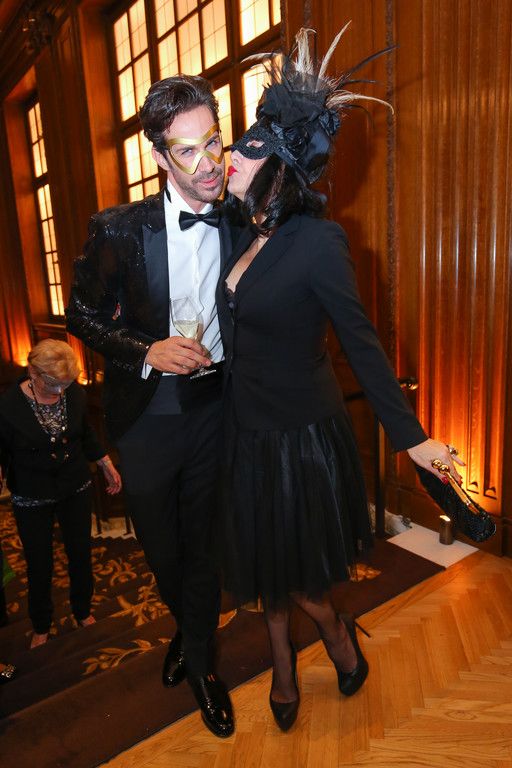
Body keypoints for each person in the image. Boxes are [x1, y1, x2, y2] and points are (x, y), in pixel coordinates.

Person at [216, 27, 464, 732]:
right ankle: (283, 667)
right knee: (266, 570)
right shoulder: (239, 231)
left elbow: (362, 344)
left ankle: (333, 632)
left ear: (279, 165)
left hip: (298, 437)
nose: (232, 157)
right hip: (245, 430)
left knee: (296, 575)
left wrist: (413, 439)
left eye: (248, 149)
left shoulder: (319, 242)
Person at [66, 76, 237, 738]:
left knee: (205, 545)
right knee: (163, 549)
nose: (208, 163)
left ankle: (202, 663)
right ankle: (190, 630)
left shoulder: (241, 214)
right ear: (162, 157)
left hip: (217, 405)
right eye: (187, 151)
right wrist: (147, 349)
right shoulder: (118, 229)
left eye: (213, 142)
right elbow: (82, 315)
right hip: (145, 414)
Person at [0, 339, 121, 648]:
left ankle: (83, 610)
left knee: (80, 554)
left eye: (65, 385)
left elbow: (86, 434)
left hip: (74, 486)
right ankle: (41, 624)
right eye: (53, 384)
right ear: (33, 372)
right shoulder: (8, 406)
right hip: (31, 495)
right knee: (39, 563)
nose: (59, 392)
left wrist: (105, 463)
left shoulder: (73, 392)